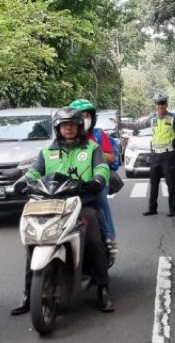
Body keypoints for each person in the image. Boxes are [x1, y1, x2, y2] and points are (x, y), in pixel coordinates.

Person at [10, 107, 115, 315]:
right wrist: (23, 181)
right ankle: (28, 293)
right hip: (50, 203)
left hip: (81, 201)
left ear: (79, 127)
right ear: (58, 128)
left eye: (73, 125)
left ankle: (103, 289)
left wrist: (98, 180)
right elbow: (34, 171)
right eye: (64, 125)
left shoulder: (91, 149)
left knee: (93, 238)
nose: (69, 129)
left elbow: (102, 167)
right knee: (34, 241)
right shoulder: (47, 151)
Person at [112, 95, 175, 217]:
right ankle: (152, 208)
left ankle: (173, 209)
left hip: (168, 155)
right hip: (155, 156)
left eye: (162, 104)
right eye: (158, 104)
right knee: (153, 183)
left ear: (166, 105)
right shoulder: (153, 118)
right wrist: (120, 124)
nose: (160, 106)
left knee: (171, 184)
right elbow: (137, 125)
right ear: (156, 106)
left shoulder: (173, 118)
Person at [69, 99, 120, 258]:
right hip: (72, 181)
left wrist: (92, 153)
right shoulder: (66, 137)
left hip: (96, 180)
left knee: (100, 199)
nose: (83, 119)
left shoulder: (98, 135)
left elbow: (111, 158)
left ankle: (109, 237)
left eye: (86, 115)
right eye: (79, 115)